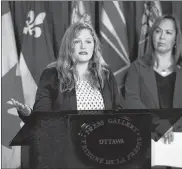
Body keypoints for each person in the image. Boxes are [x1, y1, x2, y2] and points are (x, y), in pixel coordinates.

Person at [11, 21, 122, 168]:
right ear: (69, 46)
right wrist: (28, 114)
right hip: (65, 155)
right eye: (77, 41)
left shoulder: (106, 76)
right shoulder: (52, 75)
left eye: (88, 41)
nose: (83, 46)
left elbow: (120, 112)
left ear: (94, 46)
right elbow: (42, 117)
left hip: (101, 153)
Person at [125, 15, 182, 169]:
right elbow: (131, 99)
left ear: (175, 39)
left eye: (168, 32)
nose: (162, 37)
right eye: (158, 31)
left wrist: (171, 125)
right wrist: (158, 123)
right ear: (152, 35)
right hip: (149, 138)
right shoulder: (137, 67)